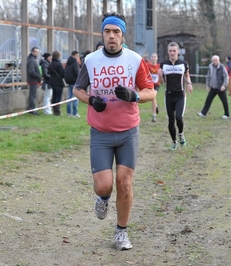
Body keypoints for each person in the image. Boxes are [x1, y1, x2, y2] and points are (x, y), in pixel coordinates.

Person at [73, 12, 156, 251]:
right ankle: (103, 198)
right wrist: (91, 100)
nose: (111, 36)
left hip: (128, 131)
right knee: (104, 185)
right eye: (107, 32)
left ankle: (121, 232)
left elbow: (151, 91)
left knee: (125, 183)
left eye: (116, 32)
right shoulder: (91, 60)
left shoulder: (134, 59)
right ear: (102, 34)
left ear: (122, 35)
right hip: (100, 132)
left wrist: (134, 95)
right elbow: (78, 90)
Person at [158, 42, 193, 150]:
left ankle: (181, 134)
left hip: (180, 95)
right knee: (171, 120)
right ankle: (174, 142)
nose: (172, 53)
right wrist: (160, 76)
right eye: (170, 51)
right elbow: (162, 81)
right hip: (168, 95)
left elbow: (187, 75)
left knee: (179, 117)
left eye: (174, 51)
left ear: (177, 51)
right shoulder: (163, 64)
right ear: (168, 52)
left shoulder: (183, 63)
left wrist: (189, 84)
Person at [197, 55, 230, 120]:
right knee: (208, 100)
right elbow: (208, 76)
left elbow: (226, 77)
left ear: (219, 61)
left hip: (220, 88)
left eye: (216, 60)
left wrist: (224, 85)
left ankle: (227, 114)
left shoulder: (222, 67)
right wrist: (207, 85)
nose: (215, 62)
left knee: (224, 101)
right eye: (213, 60)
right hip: (213, 87)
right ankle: (203, 113)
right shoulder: (210, 66)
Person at [64, 51, 80, 118]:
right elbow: (77, 72)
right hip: (74, 81)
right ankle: (75, 113)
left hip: (69, 81)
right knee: (75, 97)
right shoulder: (74, 62)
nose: (78, 57)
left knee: (69, 98)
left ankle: (69, 113)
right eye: (77, 56)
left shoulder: (68, 62)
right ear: (74, 55)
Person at [48, 50, 65, 116]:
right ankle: (57, 111)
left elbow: (48, 72)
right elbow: (62, 73)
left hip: (52, 82)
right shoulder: (59, 64)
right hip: (58, 82)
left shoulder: (50, 64)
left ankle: (54, 110)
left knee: (54, 97)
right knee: (58, 97)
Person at [146, 53, 161, 122]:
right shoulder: (147, 65)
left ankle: (154, 116)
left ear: (157, 58)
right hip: (150, 85)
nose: (153, 58)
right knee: (152, 98)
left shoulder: (159, 66)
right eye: (152, 57)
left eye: (155, 57)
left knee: (153, 97)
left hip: (157, 85)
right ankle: (156, 106)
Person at [26, 47, 42, 116]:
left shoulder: (33, 59)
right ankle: (32, 109)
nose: (37, 53)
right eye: (36, 52)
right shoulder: (32, 60)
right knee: (32, 95)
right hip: (33, 80)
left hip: (34, 80)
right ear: (32, 52)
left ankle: (32, 108)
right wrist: (38, 76)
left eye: (38, 52)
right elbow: (31, 71)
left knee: (33, 95)